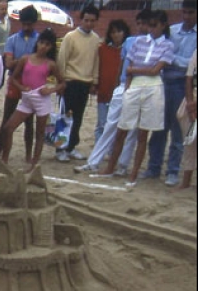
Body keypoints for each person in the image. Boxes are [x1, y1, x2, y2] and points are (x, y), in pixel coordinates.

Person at [99, 10, 175, 188]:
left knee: (142, 133)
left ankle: (132, 173)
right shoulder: (139, 41)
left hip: (153, 86)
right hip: (138, 85)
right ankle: (112, 168)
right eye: (150, 25)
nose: (151, 29)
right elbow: (131, 69)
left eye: (154, 25)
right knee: (122, 128)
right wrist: (128, 85)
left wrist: (135, 71)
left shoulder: (168, 45)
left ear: (163, 26)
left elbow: (154, 70)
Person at [77, 12, 147, 177]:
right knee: (109, 125)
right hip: (124, 85)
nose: (143, 27)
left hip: (141, 86)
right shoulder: (130, 42)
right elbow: (122, 67)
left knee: (132, 130)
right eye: (141, 23)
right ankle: (94, 162)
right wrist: (117, 87)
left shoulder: (156, 44)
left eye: (147, 24)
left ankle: (122, 164)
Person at [145, 1, 196, 186]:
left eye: (191, 13)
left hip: (183, 85)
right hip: (163, 82)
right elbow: (160, 54)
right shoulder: (172, 31)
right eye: (185, 12)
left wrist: (170, 58)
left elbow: (191, 65)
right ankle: (154, 167)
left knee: (177, 130)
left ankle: (172, 170)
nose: (187, 16)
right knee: (158, 126)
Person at [0, 29, 64, 166]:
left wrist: (50, 90)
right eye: (41, 43)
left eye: (47, 44)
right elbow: (13, 78)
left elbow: (63, 83)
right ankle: (4, 159)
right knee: (8, 127)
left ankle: (34, 163)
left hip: (41, 99)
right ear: (37, 42)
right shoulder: (25, 59)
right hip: (27, 99)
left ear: (51, 47)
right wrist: (22, 88)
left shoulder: (50, 64)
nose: (43, 46)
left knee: (40, 133)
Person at [56, 5, 101, 162]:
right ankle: (60, 148)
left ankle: (71, 147)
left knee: (78, 118)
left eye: (92, 21)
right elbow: (62, 59)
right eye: (86, 20)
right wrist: (61, 81)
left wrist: (94, 82)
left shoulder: (96, 40)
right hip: (70, 82)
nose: (89, 23)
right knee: (65, 116)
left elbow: (96, 62)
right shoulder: (70, 37)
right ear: (81, 19)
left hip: (85, 84)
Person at [0, 5, 38, 163]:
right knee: (7, 117)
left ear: (34, 23)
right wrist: (26, 61)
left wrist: (20, 61)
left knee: (29, 121)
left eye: (29, 24)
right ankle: (0, 150)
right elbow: (8, 64)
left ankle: (28, 154)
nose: (26, 27)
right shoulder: (12, 39)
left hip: (31, 83)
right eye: (24, 24)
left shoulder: (39, 39)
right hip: (16, 81)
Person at [94, 20, 130, 145]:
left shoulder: (129, 49)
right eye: (113, 32)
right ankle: (98, 149)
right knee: (101, 123)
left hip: (120, 93)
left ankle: (112, 149)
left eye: (119, 31)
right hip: (104, 91)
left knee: (117, 124)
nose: (116, 35)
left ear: (124, 33)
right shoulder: (102, 49)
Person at [175, 49, 196, 190]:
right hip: (193, 98)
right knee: (189, 141)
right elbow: (189, 77)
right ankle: (186, 181)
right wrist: (190, 102)